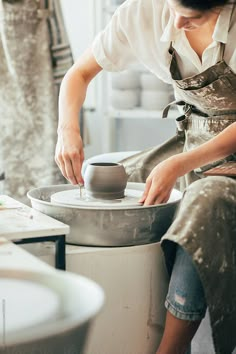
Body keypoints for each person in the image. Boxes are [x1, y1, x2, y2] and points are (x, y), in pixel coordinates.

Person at [55, 0, 236, 353]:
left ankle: (171, 347)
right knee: (127, 180)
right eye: (174, 6)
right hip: (190, 139)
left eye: (194, 16)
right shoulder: (142, 11)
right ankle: (111, 317)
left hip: (226, 155)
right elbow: (78, 74)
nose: (177, 20)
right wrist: (67, 129)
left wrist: (183, 164)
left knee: (204, 201)